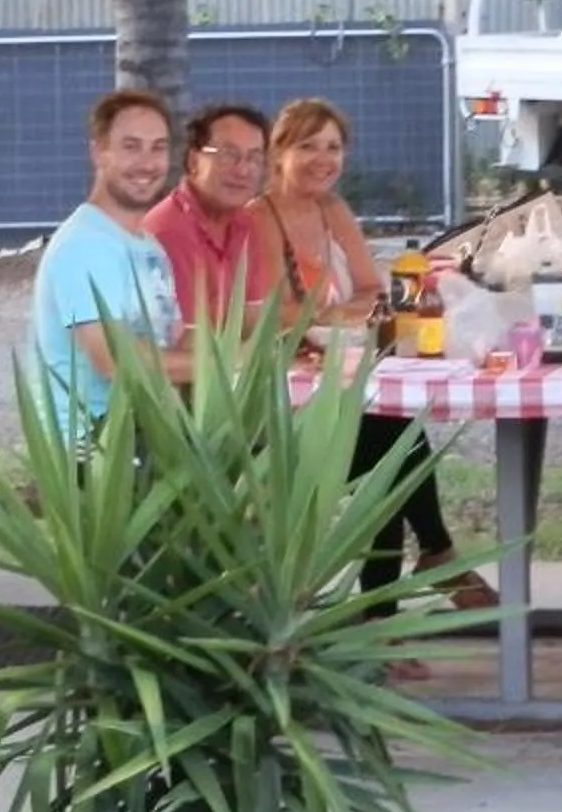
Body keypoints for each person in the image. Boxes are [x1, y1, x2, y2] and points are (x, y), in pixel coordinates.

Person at [253, 97, 497, 619]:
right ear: (278, 153)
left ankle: (400, 599)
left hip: (343, 376)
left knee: (390, 432)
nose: (323, 159)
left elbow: (371, 290)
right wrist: (341, 315)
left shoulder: (332, 209)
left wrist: (338, 315)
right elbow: (281, 314)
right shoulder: (260, 218)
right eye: (307, 146)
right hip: (280, 411)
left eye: (333, 147)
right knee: (390, 444)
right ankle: (428, 565)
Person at [26, 89, 189, 446]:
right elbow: (115, 361)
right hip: (94, 452)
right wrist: (228, 364)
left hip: (147, 433)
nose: (147, 163)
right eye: (131, 146)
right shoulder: (85, 244)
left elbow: (172, 341)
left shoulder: (147, 245)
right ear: (99, 152)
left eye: (158, 147)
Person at [143, 102, 271, 327]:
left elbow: (254, 322)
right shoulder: (168, 232)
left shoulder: (245, 222)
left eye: (254, 158)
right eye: (228, 155)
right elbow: (187, 342)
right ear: (194, 161)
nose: (242, 170)